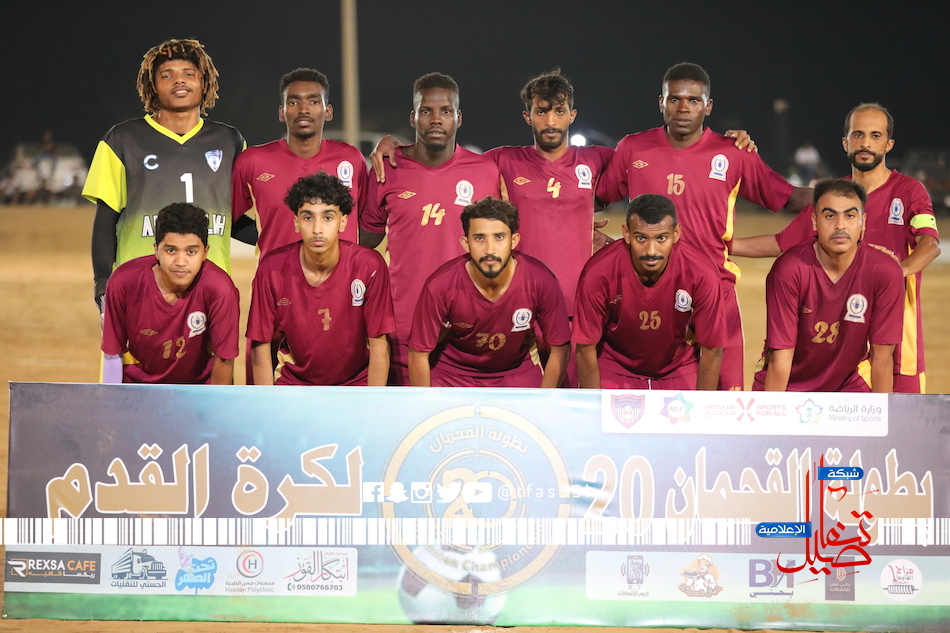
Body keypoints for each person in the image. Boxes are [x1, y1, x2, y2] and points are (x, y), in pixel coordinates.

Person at [596, 62, 811, 391]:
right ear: (661, 102)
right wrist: (584, 231)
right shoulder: (633, 148)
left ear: (708, 106)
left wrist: (851, 193)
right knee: (647, 398)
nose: (683, 108)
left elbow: (788, 198)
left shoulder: (734, 153)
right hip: (648, 296)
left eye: (694, 100)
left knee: (724, 404)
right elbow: (596, 198)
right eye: (675, 99)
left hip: (716, 292)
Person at [733, 104, 941, 393]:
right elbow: (781, 243)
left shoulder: (909, 191)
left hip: (898, 338)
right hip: (847, 341)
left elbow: (930, 244)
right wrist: (722, 244)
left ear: (888, 144)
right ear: (845, 142)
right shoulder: (834, 198)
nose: (865, 143)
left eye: (875, 135)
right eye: (858, 135)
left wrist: (897, 272)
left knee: (899, 418)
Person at [83, 39, 245, 319]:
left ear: (204, 82)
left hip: (211, 288)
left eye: (188, 74)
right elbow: (105, 220)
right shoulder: (122, 139)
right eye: (167, 75)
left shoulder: (230, 141)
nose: (179, 81)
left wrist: (291, 235)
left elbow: (237, 220)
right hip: (141, 286)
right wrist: (102, 282)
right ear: (153, 86)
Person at [360, 72, 503, 384]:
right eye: (426, 111)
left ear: (458, 118)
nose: (436, 119)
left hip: (467, 328)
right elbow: (363, 243)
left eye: (446, 111)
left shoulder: (485, 171)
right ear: (413, 117)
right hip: (403, 326)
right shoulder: (387, 169)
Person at [753, 179, 904, 393]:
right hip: (788, 386)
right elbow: (781, 358)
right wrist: (775, 411)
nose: (840, 225)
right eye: (830, 216)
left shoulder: (885, 271)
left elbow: (882, 358)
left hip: (847, 384)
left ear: (863, 222)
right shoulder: (788, 270)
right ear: (814, 222)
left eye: (850, 216)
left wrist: (881, 413)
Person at [248, 173, 394, 386]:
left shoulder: (369, 266)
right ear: (296, 222)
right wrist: (266, 402)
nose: (317, 229)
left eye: (328, 218)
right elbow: (260, 346)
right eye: (308, 218)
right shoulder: (271, 269)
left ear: (343, 222)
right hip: (294, 383)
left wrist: (372, 401)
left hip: (356, 383)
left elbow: (380, 346)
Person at [408, 197, 570, 387]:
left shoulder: (541, 279)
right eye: (479, 238)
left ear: (514, 241)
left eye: (499, 237)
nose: (489, 249)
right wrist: (425, 403)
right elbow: (418, 353)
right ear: (465, 243)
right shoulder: (440, 285)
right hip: (452, 374)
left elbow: (560, 348)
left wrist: (545, 399)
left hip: (516, 371)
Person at [573, 193, 725, 390]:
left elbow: (712, 349)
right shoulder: (598, 272)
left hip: (679, 366)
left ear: (676, 233)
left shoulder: (702, 273)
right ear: (626, 234)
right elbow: (585, 347)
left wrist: (702, 407)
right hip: (615, 366)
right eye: (641, 238)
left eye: (661, 238)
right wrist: (594, 405)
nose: (651, 251)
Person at [232, 68, 368, 256]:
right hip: (277, 273)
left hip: (341, 274)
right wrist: (270, 237)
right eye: (293, 102)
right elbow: (227, 218)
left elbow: (369, 221)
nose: (303, 110)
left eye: (313, 102)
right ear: (282, 112)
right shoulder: (252, 161)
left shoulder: (352, 159)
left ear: (328, 112)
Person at [101, 202, 240, 384]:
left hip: (198, 390)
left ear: (205, 253)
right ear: (156, 250)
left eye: (191, 251)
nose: (180, 262)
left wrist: (212, 401)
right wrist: (112, 398)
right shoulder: (123, 282)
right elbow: (113, 352)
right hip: (138, 389)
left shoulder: (220, 289)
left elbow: (224, 357)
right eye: (171, 250)